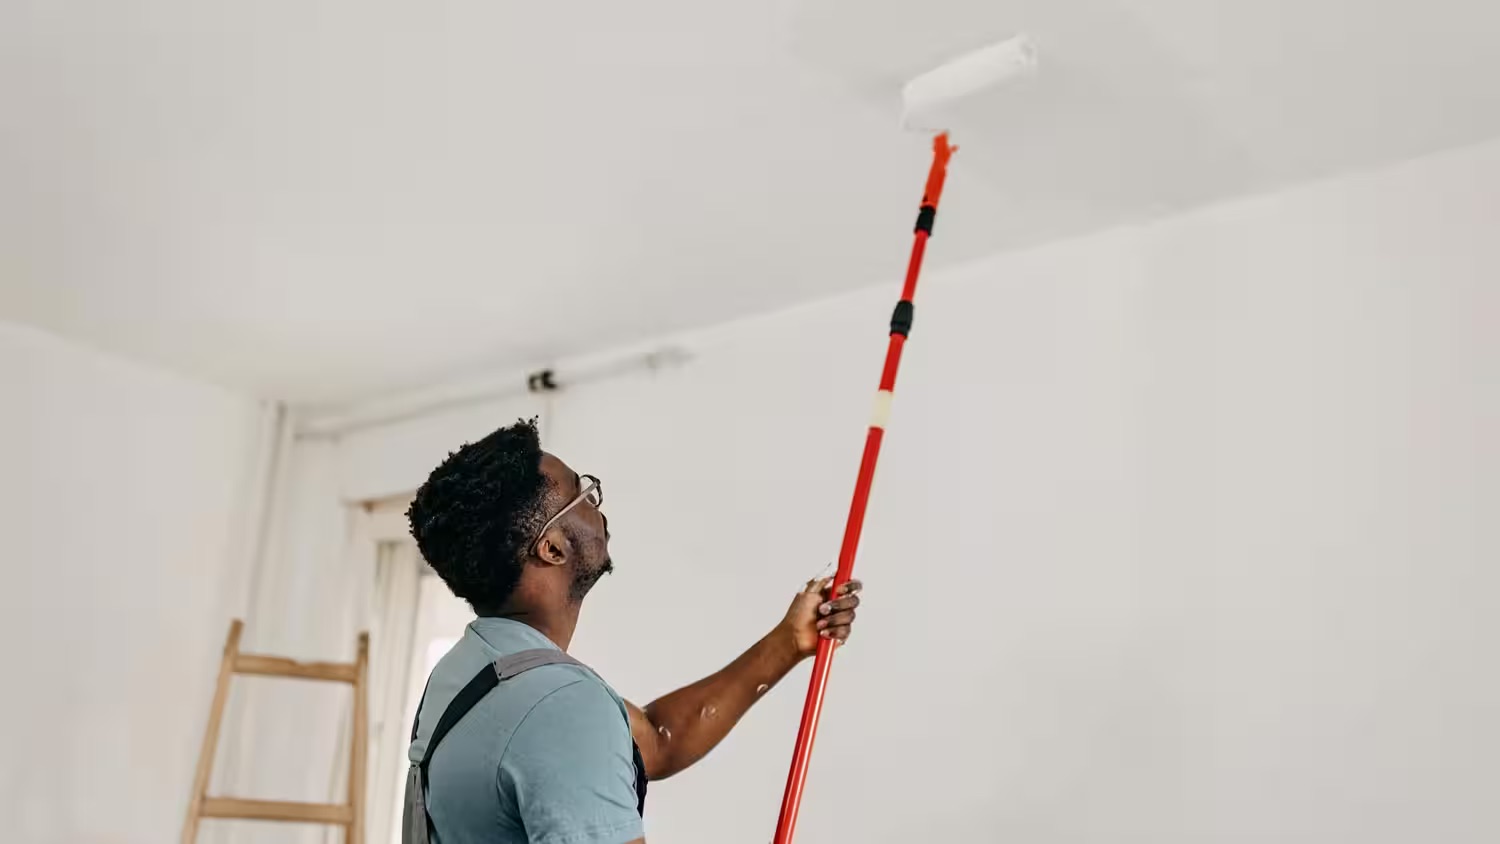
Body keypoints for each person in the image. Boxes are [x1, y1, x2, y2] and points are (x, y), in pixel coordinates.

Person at [403, 419, 863, 844]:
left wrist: (790, 640)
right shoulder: (560, 705)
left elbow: (658, 739)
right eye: (582, 496)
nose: (598, 507)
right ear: (551, 548)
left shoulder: (467, 675)